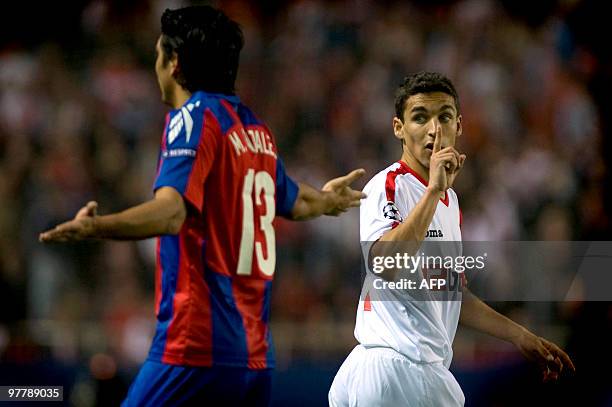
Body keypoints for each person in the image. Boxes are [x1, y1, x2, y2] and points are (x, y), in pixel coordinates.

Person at [40, 6, 365, 406]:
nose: (155, 65)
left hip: (195, 347)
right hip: (255, 358)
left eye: (159, 54)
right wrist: (330, 199)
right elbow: (297, 201)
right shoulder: (254, 130)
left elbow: (171, 211)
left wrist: (96, 227)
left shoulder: (193, 118)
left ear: (174, 63)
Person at [328, 72, 575, 406]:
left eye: (444, 116)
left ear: (459, 126)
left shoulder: (449, 201)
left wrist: (520, 336)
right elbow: (384, 265)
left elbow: (451, 293)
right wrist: (432, 191)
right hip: (395, 368)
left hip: (415, 373)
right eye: (419, 117)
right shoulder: (390, 184)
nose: (434, 129)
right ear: (398, 128)